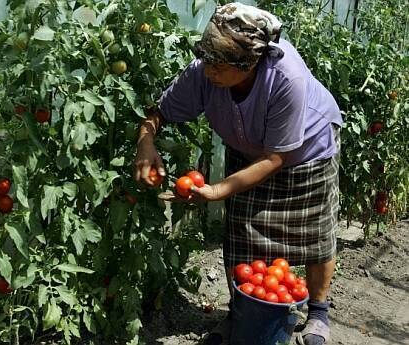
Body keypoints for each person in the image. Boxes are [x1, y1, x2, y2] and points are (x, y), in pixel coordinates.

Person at [134, 3, 342, 345]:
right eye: (208, 61)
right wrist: (145, 142)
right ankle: (241, 315)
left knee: (315, 233)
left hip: (307, 150)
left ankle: (318, 311)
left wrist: (217, 191)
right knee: (244, 234)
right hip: (249, 149)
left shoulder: (286, 77)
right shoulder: (204, 71)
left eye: (220, 65)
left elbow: (275, 157)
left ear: (249, 64)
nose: (210, 71)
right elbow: (159, 112)